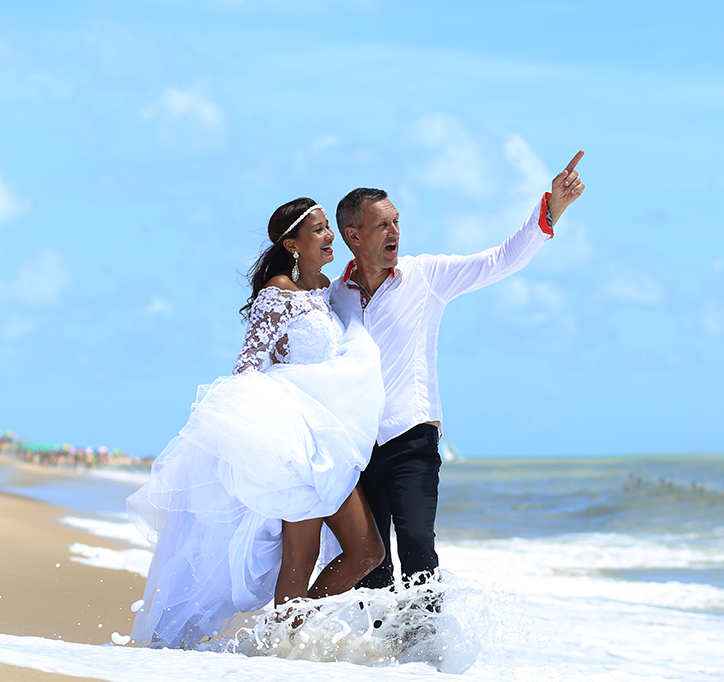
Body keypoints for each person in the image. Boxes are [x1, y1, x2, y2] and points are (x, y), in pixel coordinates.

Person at [129, 198, 387, 649]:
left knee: (367, 553)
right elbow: (248, 368)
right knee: (300, 555)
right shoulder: (276, 295)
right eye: (320, 231)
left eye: (329, 229)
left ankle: (282, 636)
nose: (330, 238)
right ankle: (281, 649)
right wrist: (252, 437)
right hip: (291, 441)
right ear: (292, 244)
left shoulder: (325, 288)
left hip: (329, 439)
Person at [329, 151, 586, 590]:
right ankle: (375, 652)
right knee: (371, 565)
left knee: (416, 546)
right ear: (353, 235)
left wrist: (551, 210)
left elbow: (499, 260)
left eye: (396, 222)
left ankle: (424, 651)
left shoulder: (425, 275)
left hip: (411, 435)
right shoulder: (335, 297)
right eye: (382, 225)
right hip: (357, 444)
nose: (395, 232)